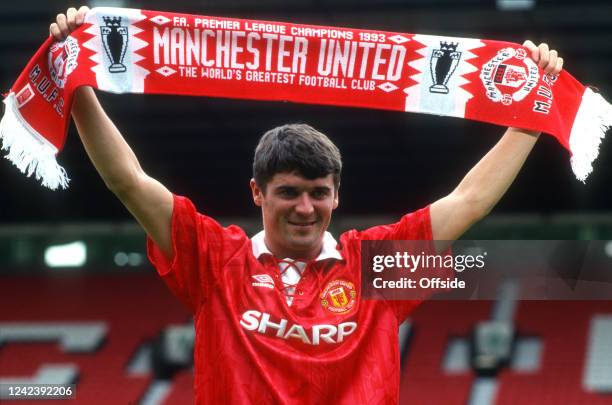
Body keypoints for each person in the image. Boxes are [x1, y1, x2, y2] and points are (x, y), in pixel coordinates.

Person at [51, 6, 564, 404]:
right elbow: (128, 181)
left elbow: (469, 200)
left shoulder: (377, 268)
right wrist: (79, 87)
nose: (305, 207)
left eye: (319, 193)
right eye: (288, 192)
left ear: (337, 196)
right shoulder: (214, 260)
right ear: (257, 193)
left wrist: (530, 112)